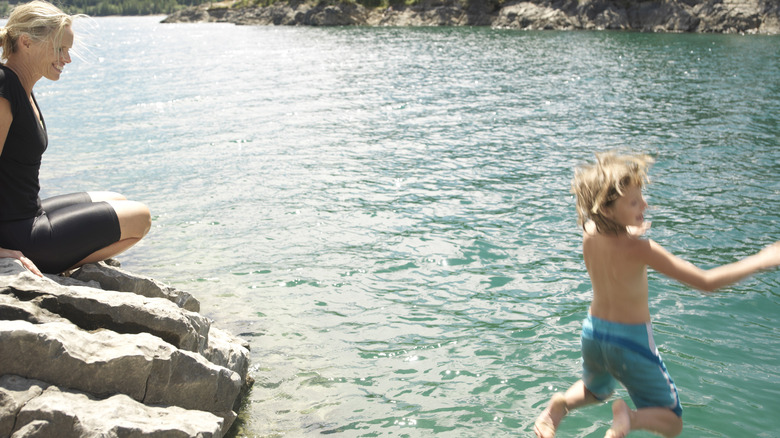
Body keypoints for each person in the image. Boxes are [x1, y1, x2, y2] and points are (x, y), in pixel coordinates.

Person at [533, 152, 780, 438]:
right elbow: (706, 282)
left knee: (595, 390)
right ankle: (629, 418)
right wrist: (761, 260)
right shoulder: (641, 249)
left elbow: (608, 230)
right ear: (610, 211)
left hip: (594, 333)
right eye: (634, 202)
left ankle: (560, 406)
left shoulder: (589, 232)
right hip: (630, 342)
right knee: (672, 421)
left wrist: (627, 223)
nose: (645, 205)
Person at [0, 0, 151, 276]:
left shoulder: (20, 85)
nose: (66, 59)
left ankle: (61, 258)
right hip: (19, 234)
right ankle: (58, 265)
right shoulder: (3, 87)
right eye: (60, 49)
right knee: (140, 218)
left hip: (28, 214)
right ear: (26, 42)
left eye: (67, 50)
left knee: (117, 199)